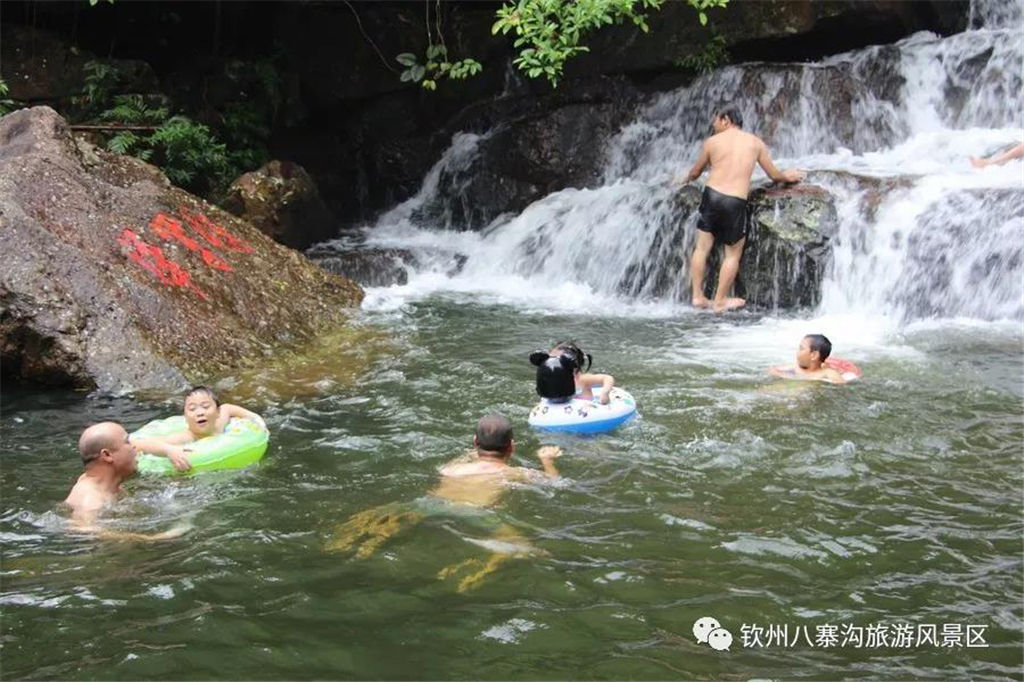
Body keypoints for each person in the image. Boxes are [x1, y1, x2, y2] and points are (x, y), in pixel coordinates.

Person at [328, 414, 562, 592]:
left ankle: (358, 540)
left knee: (388, 514)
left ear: (475, 443)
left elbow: (467, 459)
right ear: (512, 447)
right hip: (476, 513)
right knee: (526, 548)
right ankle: (484, 566)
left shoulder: (453, 468)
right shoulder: (513, 473)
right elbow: (553, 483)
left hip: (431, 503)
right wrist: (547, 460)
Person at [678, 105, 806, 312]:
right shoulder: (755, 143)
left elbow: (695, 173)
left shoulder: (712, 142)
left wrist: (682, 179)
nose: (713, 125)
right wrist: (788, 176)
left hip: (711, 196)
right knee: (732, 254)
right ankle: (720, 301)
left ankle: (698, 296)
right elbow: (774, 175)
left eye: (716, 121)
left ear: (726, 120)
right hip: (734, 201)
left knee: (701, 248)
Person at [64, 422, 189, 539]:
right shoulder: (91, 501)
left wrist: (168, 450)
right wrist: (155, 538)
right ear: (107, 455)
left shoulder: (106, 484)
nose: (134, 446)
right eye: (127, 442)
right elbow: (85, 530)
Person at [129, 386, 266, 471]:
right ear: (185, 416)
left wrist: (254, 417)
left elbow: (227, 407)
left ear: (217, 412)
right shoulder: (184, 438)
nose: (200, 412)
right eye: (192, 409)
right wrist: (169, 450)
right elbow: (136, 444)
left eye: (206, 407)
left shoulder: (220, 423)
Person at [530, 341, 615, 404]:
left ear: (573, 363)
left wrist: (605, 393)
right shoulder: (549, 381)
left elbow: (607, 378)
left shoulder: (583, 379)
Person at [768, 334, 847, 384]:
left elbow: (841, 383)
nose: (797, 351)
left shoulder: (826, 372)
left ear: (814, 355)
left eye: (801, 348)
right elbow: (773, 370)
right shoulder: (795, 367)